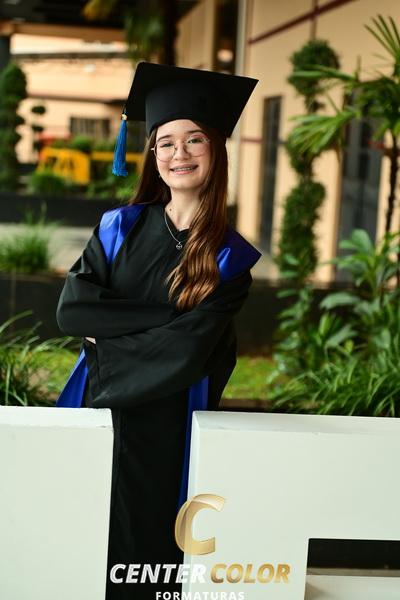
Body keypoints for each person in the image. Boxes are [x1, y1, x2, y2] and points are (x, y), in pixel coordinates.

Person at [55, 62, 261, 599]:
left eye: (194, 139)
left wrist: (107, 338)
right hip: (98, 408)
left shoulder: (229, 258)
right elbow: (73, 312)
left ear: (216, 149)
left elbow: (189, 353)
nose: (178, 153)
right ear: (151, 153)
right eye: (165, 142)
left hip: (170, 421)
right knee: (79, 543)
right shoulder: (118, 228)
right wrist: (170, 317)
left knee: (149, 559)